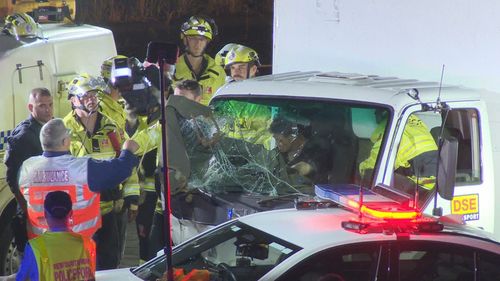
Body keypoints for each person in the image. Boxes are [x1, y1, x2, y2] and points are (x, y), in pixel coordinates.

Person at [63, 73, 140, 270]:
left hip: (108, 212)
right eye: (85, 95)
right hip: (77, 216)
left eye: (94, 95)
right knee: (80, 266)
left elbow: (127, 161)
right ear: (73, 100)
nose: (91, 99)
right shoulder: (64, 130)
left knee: (109, 264)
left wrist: (131, 198)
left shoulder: (111, 128)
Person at [18, 118, 139, 240]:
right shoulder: (83, 168)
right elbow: (120, 170)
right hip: (78, 248)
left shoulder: (26, 168)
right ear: (65, 141)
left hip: (41, 248)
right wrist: (128, 150)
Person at [4, 87, 53, 254]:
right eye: (42, 106)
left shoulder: (48, 128)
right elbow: (12, 177)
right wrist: (26, 208)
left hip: (46, 210)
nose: (48, 110)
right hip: (32, 211)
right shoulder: (25, 135)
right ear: (31, 108)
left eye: (50, 105)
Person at [15, 191, 96, 281]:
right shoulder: (88, 243)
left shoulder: (35, 247)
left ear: (45, 214)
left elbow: (21, 278)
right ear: (71, 213)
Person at [359, 111, 438, 198]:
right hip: (435, 187)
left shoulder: (390, 137)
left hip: (417, 191)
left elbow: (370, 170)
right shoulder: (417, 126)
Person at [173, 15, 226, 105]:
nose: (198, 43)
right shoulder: (172, 69)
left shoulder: (218, 71)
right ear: (185, 40)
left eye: (202, 39)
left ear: (207, 42)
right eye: (193, 38)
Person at [269, 116, 332, 185]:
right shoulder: (277, 154)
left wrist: (310, 171)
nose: (278, 144)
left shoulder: (316, 153)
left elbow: (327, 183)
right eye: (276, 139)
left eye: (280, 140)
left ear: (293, 137)